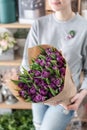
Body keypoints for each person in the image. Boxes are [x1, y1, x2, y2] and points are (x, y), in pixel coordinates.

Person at [20, 0, 87, 130]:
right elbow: (27, 62)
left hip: (65, 98)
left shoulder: (84, 27)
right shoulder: (39, 25)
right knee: (38, 126)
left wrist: (82, 94)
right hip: (39, 92)